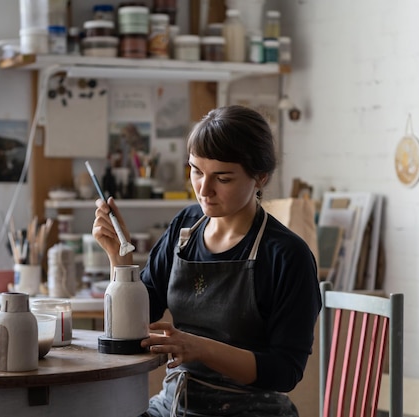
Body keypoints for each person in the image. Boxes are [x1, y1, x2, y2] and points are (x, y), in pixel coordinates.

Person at [92, 105, 322, 417]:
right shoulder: (184, 227)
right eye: (196, 171)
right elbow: (139, 321)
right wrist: (120, 261)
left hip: (251, 410)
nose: (203, 189)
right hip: (173, 404)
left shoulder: (287, 256)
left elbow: (285, 372)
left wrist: (199, 347)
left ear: (260, 178)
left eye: (222, 178)